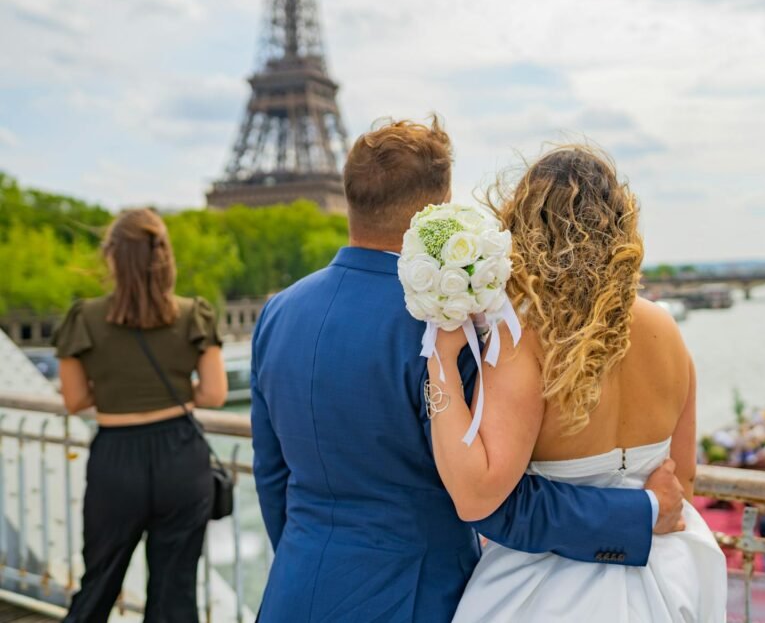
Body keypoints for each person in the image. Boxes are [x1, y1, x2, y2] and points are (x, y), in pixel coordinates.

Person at [250, 120, 686, 621]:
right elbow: (493, 498)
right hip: (417, 597)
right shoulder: (450, 321)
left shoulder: (278, 313)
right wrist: (640, 514)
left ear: (350, 197)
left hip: (295, 586)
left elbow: (272, 476)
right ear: (440, 206)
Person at [425, 145, 727, 622]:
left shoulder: (526, 343)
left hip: (544, 592)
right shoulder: (666, 330)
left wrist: (441, 360)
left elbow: (478, 494)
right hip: (669, 580)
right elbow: (681, 479)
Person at [53, 208, 227, 623]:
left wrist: (119, 389)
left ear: (112, 256)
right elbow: (215, 393)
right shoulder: (193, 314)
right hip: (181, 458)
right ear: (164, 256)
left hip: (116, 458)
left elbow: (74, 400)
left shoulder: (85, 318)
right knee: (175, 590)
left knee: (99, 581)